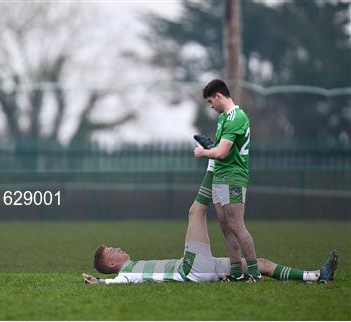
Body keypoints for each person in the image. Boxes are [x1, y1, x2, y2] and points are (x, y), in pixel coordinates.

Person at [82, 205, 338, 284]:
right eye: (113, 251)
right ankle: (215, 161)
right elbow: (113, 284)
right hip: (190, 269)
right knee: (196, 211)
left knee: (261, 265)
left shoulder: (135, 266)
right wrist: (98, 283)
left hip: (199, 268)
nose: (118, 248)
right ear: (112, 263)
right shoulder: (125, 274)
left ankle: (316, 275)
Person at [193, 79, 259, 281]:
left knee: (237, 225)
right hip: (220, 176)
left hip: (233, 176)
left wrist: (203, 152)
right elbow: (220, 147)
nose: (210, 106)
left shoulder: (236, 118)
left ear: (219, 96)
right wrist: (210, 147)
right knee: (225, 226)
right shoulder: (223, 118)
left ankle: (255, 273)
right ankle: (237, 273)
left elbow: (222, 152)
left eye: (210, 101)